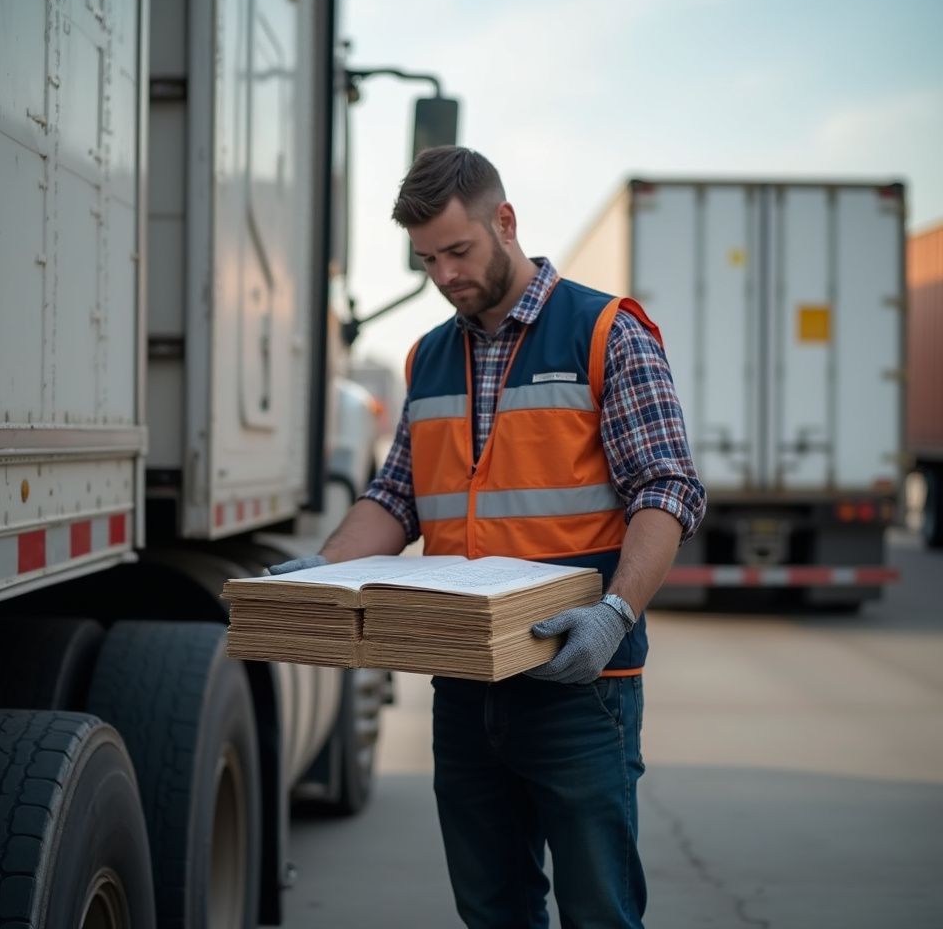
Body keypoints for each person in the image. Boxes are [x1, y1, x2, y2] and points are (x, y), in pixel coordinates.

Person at [271, 147, 706, 929]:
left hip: (580, 686)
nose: (443, 275)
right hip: (464, 683)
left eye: (457, 251)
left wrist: (613, 615)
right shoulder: (430, 356)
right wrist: (326, 571)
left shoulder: (605, 332)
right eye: (426, 260)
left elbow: (667, 489)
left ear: (504, 222)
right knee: (492, 910)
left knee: (598, 913)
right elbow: (396, 497)